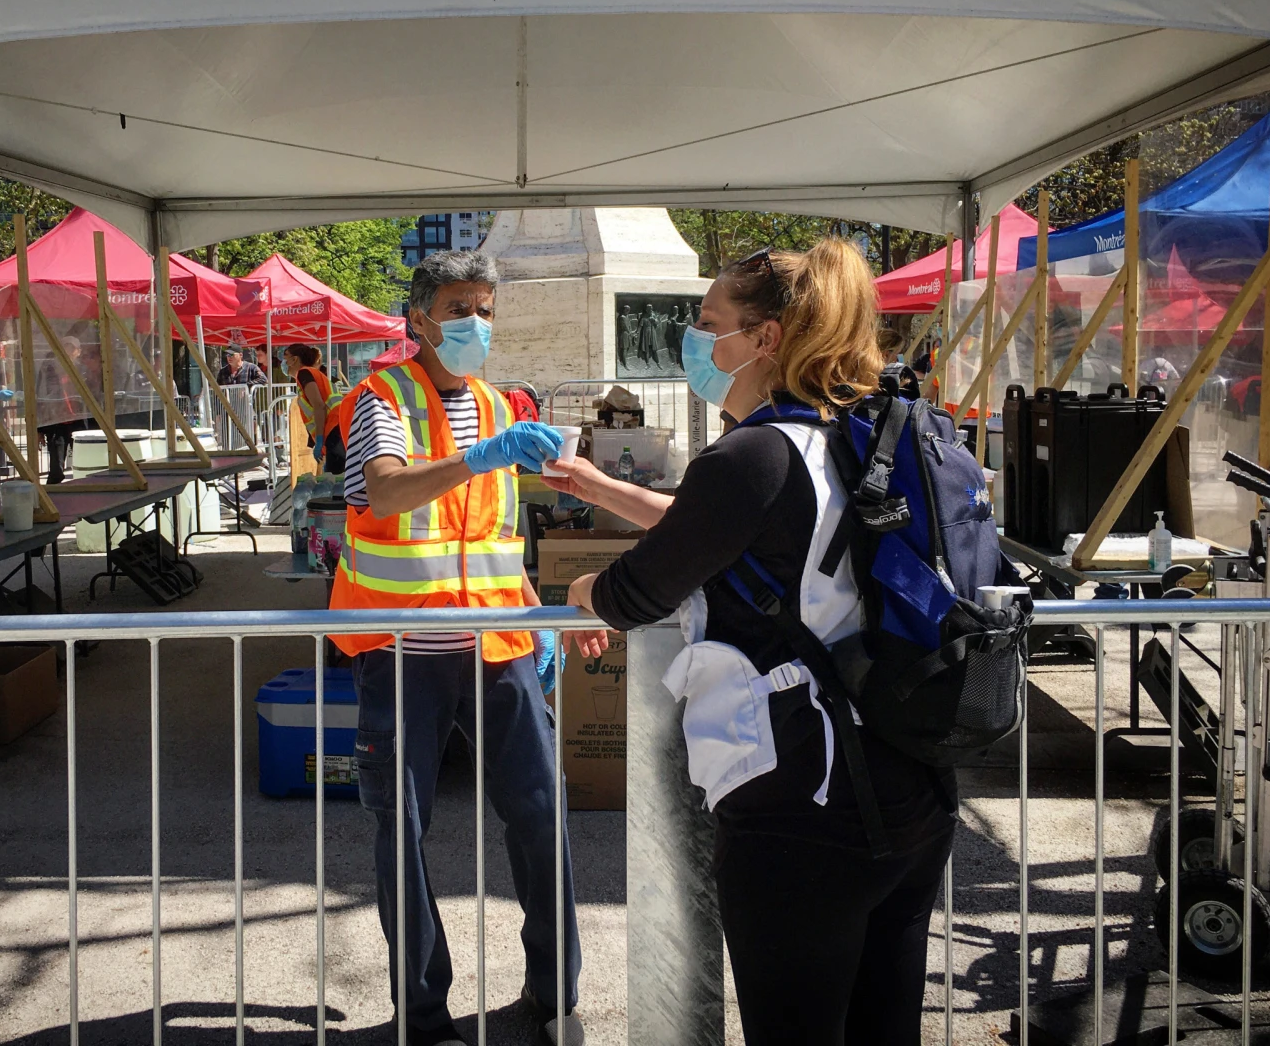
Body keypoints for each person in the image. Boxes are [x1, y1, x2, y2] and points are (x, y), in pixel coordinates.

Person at [543, 239, 954, 1046]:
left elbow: (636, 592)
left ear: (764, 338)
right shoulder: (854, 432)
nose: (694, 338)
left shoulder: (752, 455)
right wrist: (601, 489)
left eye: (708, 322)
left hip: (803, 805)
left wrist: (579, 591)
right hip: (911, 778)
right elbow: (732, 532)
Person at [328, 250, 587, 1046]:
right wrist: (478, 457)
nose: (476, 323)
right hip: (404, 651)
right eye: (458, 308)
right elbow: (384, 489)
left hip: (499, 646)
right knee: (402, 831)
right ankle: (423, 1015)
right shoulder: (382, 400)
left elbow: (497, 536)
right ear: (419, 320)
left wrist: (536, 617)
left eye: (486, 308)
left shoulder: (504, 406)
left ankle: (555, 997)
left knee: (542, 814)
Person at [37, 335, 89, 485]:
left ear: (78, 352)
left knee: (85, 463)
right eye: (65, 348)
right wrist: (39, 429)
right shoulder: (49, 370)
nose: (68, 352)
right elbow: (40, 397)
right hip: (57, 422)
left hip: (79, 422)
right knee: (56, 468)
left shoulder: (83, 371)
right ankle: (53, 495)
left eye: (72, 349)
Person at [283, 344, 332, 464]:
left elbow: (319, 405)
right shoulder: (308, 374)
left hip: (332, 429)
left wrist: (319, 440)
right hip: (332, 428)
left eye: (286, 358)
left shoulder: (304, 373)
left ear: (294, 359)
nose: (284, 363)